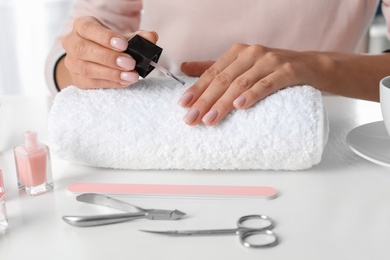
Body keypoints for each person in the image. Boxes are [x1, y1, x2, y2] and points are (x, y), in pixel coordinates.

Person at [46, 0, 390, 127]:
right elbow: (73, 45)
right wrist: (82, 64)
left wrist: (321, 68)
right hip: (166, 121)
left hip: (317, 134)